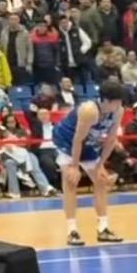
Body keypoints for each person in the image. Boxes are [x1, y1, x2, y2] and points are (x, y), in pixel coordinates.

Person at [52, 78, 126, 246]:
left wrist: (100, 166)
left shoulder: (118, 111)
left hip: (88, 142)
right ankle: (72, 231)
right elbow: (77, 140)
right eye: (116, 101)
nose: (119, 104)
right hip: (67, 140)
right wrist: (74, 166)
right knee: (71, 182)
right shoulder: (89, 111)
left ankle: (103, 228)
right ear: (105, 100)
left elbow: (111, 139)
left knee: (101, 181)